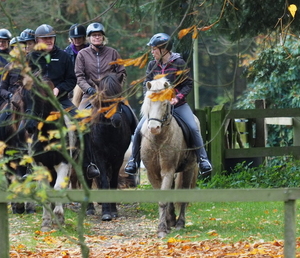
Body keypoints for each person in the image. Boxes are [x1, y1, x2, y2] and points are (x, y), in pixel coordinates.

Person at [124, 33, 212, 175]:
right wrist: (150, 99)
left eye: (154, 49)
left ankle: (203, 159)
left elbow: (188, 83)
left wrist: (177, 98)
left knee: (192, 126)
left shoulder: (179, 63)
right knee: (139, 129)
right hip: (157, 108)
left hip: (178, 105)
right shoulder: (152, 65)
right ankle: (133, 161)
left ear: (164, 49)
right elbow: (146, 85)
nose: (152, 52)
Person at [74, 22, 126, 110]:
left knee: (129, 114)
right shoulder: (82, 54)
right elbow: (79, 77)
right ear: (89, 38)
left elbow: (122, 73)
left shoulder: (113, 53)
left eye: (99, 35)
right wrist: (89, 89)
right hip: (90, 95)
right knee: (80, 118)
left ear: (103, 37)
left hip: (111, 95)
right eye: (94, 35)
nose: (97, 37)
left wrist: (114, 88)